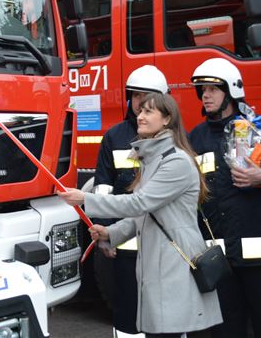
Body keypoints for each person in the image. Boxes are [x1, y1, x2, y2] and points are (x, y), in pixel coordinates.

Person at [59, 92, 222, 338]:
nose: (140, 116)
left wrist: (86, 199)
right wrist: (111, 233)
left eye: (148, 111)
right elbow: (146, 215)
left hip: (174, 261)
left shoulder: (175, 161)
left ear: (167, 119)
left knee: (167, 333)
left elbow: (139, 203)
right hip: (163, 259)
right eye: (140, 110)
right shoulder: (154, 158)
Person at [187, 58, 261, 338]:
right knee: (225, 330)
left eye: (213, 89)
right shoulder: (195, 138)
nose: (206, 95)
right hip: (219, 261)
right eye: (202, 90)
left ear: (232, 91)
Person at [92, 65, 169, 337]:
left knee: (165, 315)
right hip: (126, 247)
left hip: (163, 249)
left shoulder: (172, 141)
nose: (140, 103)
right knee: (127, 315)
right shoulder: (114, 137)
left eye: (147, 97)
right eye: (136, 96)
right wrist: (103, 230)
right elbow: (102, 188)